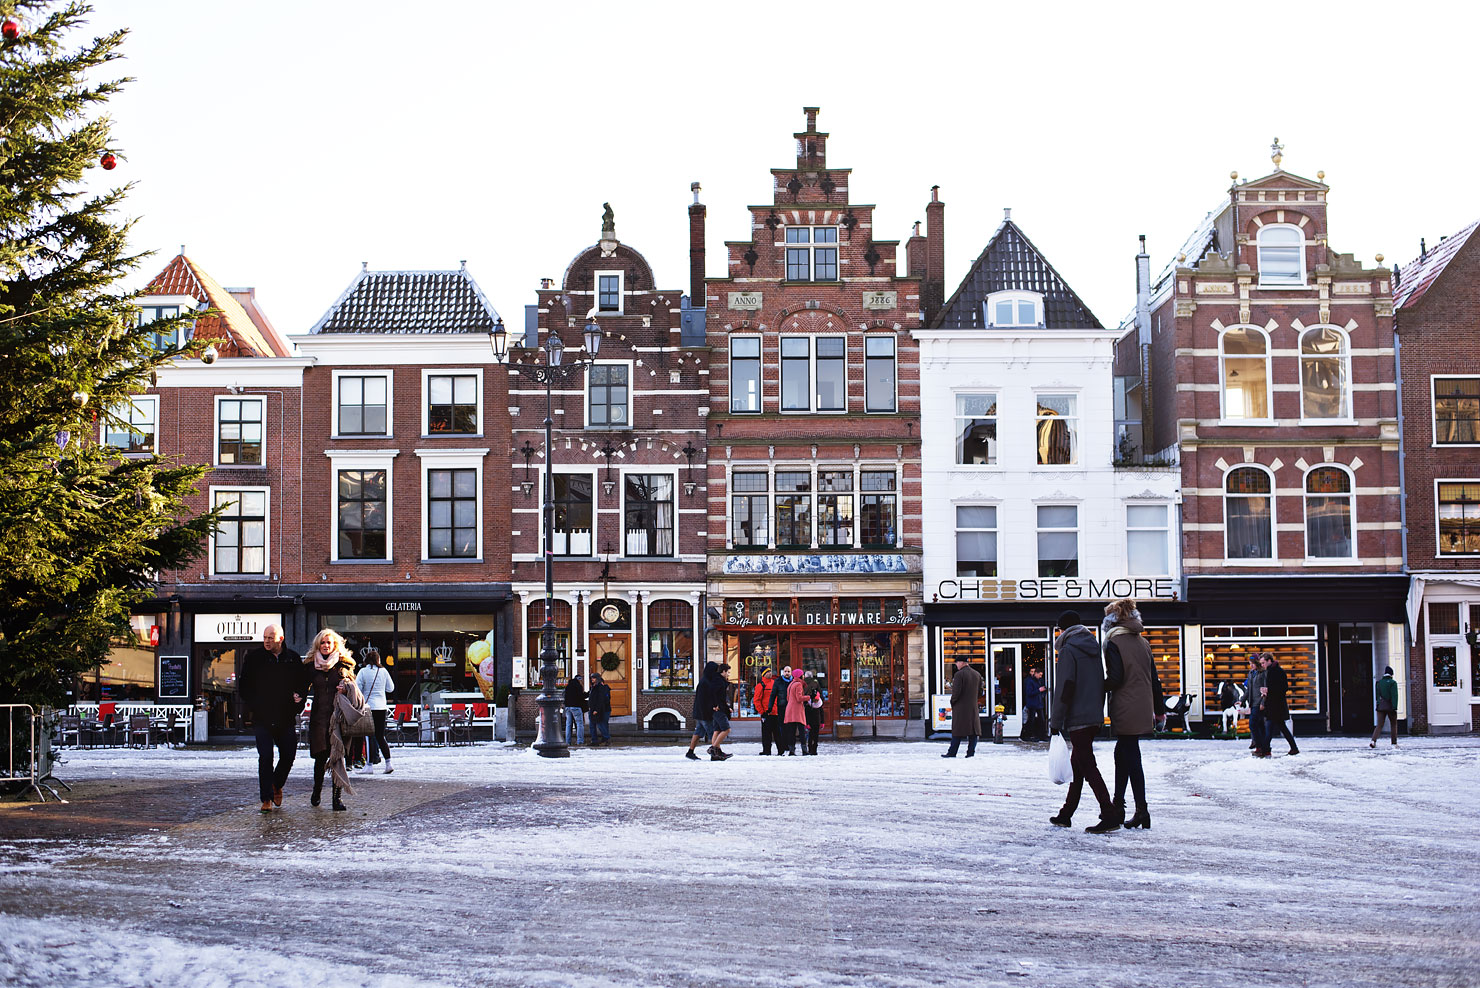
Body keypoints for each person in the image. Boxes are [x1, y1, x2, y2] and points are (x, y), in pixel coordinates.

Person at [1049, 610, 1118, 833]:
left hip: (1077, 717)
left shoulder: (1068, 650)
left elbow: (1065, 686)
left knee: (1088, 767)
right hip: (1093, 715)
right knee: (1077, 767)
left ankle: (1109, 814)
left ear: (1063, 629)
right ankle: (1065, 814)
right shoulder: (1093, 647)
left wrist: (1056, 720)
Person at [1102, 599, 1163, 830]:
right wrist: (1159, 710)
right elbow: (1154, 679)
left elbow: (1115, 678)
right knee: (1124, 753)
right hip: (1143, 705)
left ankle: (1137, 809)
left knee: (1130, 756)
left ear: (1112, 620)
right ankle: (1126, 806)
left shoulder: (1114, 642)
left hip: (1125, 705)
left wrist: (1097, 686)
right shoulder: (1143, 642)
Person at [238, 624, 307, 812]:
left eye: (271, 638)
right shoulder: (254, 658)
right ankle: (266, 798)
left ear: (281, 639)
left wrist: (298, 700)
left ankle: (276, 784)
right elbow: (243, 687)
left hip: (285, 717)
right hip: (262, 718)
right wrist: (256, 704)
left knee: (289, 754)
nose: (267, 641)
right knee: (266, 756)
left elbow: (302, 685)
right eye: (265, 637)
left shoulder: (292, 659)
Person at [306, 629, 363, 811]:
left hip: (338, 719)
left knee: (337, 757)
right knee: (320, 758)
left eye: (329, 643)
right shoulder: (310, 666)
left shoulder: (343, 665)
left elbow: (353, 688)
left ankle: (336, 799)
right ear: (318, 645)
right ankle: (316, 791)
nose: (325, 646)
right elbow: (301, 686)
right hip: (318, 719)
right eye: (322, 643)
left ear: (335, 645)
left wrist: (345, 689)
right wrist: (297, 695)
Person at [354, 649, 394, 775]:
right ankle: (388, 763)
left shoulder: (363, 671)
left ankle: (369, 765)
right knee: (380, 736)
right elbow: (390, 688)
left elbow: (357, 688)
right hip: (382, 707)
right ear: (378, 660)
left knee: (369, 736)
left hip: (368, 707)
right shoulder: (383, 671)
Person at [684, 661, 730, 760]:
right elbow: (707, 699)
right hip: (705, 713)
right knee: (713, 733)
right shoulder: (707, 683)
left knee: (698, 733)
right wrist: (711, 709)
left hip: (699, 712)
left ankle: (690, 751)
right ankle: (716, 754)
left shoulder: (704, 681)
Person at [1258, 652, 1299, 757]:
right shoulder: (1270, 671)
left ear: (1269, 661)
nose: (1262, 665)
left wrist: (1268, 691)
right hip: (1274, 705)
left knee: (1270, 728)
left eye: (1263, 663)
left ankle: (1265, 750)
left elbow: (1283, 688)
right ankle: (1293, 748)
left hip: (1276, 705)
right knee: (1281, 728)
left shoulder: (1277, 671)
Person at [942, 656, 983, 758]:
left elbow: (956, 692)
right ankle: (970, 753)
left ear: (962, 662)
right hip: (973, 707)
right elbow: (981, 692)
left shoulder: (959, 675)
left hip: (960, 707)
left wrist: (953, 702)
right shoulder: (977, 674)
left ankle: (952, 752)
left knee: (958, 730)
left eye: (957, 663)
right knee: (973, 731)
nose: (956, 665)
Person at [1241, 653, 1267, 754]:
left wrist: (1263, 703)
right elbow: (1249, 690)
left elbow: (1265, 688)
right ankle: (1263, 747)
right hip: (1253, 703)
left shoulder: (1263, 673)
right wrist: (1242, 700)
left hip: (1259, 703)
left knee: (1252, 724)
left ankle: (1259, 746)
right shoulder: (1251, 673)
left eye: (1252, 663)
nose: (1251, 665)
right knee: (1260, 725)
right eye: (1249, 663)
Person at [752, 666, 782, 755]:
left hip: (776, 712)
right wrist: (762, 712)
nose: (770, 673)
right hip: (766, 713)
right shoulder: (760, 685)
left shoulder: (775, 683)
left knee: (778, 733)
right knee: (766, 734)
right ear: (763, 674)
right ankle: (766, 750)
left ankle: (781, 750)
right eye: (767, 672)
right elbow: (756, 700)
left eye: (770, 671)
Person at [1371, 665, 1400, 748]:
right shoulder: (1393, 683)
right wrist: (1394, 706)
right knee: (1393, 724)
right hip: (1390, 706)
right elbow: (1394, 695)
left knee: (1379, 725)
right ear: (1391, 674)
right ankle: (1394, 743)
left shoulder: (1379, 683)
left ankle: (1373, 741)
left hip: (1381, 707)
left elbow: (1377, 696)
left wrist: (1378, 704)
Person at [783, 663, 809, 756]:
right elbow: (799, 698)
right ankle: (804, 750)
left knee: (791, 731)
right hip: (797, 710)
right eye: (802, 674)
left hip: (790, 709)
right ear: (800, 676)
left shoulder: (791, 684)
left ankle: (792, 750)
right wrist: (808, 697)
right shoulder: (798, 684)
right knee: (802, 731)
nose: (804, 676)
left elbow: (787, 697)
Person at [1021, 667, 1049, 742]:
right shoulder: (1030, 681)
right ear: (1035, 673)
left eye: (1041, 675)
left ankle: (1042, 736)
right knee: (1031, 720)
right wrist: (1039, 690)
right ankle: (1027, 735)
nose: (1041, 676)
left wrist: (1042, 694)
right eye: (1039, 675)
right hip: (1032, 704)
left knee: (1041, 720)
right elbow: (1029, 693)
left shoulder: (1039, 681)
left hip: (1038, 703)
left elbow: (1043, 690)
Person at [587, 670, 612, 746]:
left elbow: (600, 699)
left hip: (598, 709)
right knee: (592, 725)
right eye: (591, 678)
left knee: (600, 724)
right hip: (592, 708)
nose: (592, 679)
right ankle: (594, 740)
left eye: (594, 678)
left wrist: (596, 710)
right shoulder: (593, 687)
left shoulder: (600, 688)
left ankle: (606, 738)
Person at [803, 671, 824, 755]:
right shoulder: (815, 683)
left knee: (809, 733)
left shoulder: (803, 684)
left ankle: (809, 748)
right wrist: (822, 722)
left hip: (807, 709)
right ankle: (814, 749)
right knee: (815, 733)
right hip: (816, 713)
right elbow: (821, 696)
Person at [562, 674, 587, 746]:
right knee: (579, 724)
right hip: (576, 707)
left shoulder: (568, 686)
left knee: (568, 724)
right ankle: (580, 741)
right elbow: (581, 696)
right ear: (579, 679)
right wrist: (588, 694)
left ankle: (568, 741)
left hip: (567, 707)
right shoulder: (578, 686)